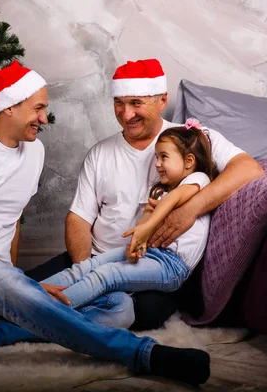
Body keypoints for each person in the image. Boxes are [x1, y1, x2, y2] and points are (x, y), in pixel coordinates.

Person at [0, 60, 211, 385]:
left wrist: (17, 286)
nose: (44, 118)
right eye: (38, 108)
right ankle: (142, 354)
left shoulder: (35, 151)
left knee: (118, 308)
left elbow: (13, 223)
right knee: (11, 280)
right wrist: (15, 281)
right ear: (9, 107)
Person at [25, 58, 265, 329]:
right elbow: (78, 219)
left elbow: (249, 169)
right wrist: (89, 269)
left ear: (162, 100)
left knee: (146, 313)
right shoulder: (100, 153)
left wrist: (189, 210)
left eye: (136, 103)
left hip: (153, 265)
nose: (126, 115)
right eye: (119, 103)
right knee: (23, 285)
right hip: (97, 257)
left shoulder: (192, 139)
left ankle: (48, 319)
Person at [40, 121, 217, 309]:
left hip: (171, 265)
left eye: (163, 157)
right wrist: (134, 246)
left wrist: (147, 229)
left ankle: (46, 311)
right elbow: (147, 217)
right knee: (87, 267)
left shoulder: (198, 179)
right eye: (156, 157)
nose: (157, 164)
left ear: (189, 161)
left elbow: (172, 200)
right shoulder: (160, 190)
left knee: (107, 274)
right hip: (150, 254)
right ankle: (27, 296)